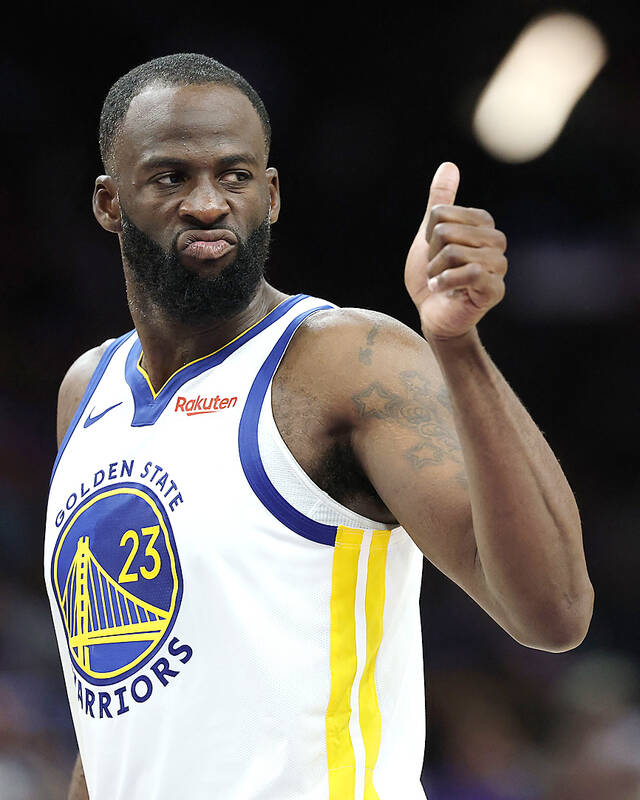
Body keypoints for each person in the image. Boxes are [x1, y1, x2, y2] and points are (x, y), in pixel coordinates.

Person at [44, 53, 593, 800]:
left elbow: (555, 613)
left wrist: (458, 348)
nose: (207, 203)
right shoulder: (88, 392)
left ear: (270, 195)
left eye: (235, 176)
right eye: (171, 177)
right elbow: (117, 726)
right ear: (110, 203)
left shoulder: (344, 362)